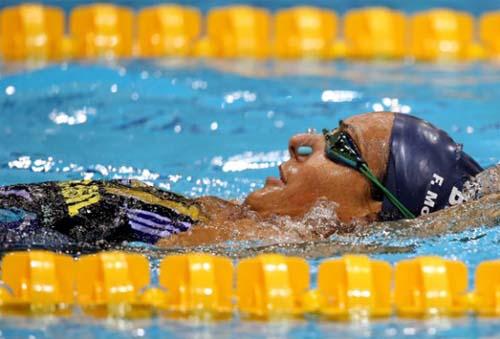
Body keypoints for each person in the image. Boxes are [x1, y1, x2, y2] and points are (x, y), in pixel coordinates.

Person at [0, 112, 497, 251]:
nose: (303, 141)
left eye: (341, 147)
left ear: (370, 209)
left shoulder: (283, 245)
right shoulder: (224, 213)